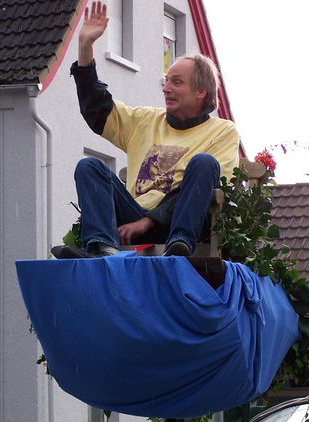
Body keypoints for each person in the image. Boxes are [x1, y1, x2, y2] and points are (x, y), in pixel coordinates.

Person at [51, 1, 240, 259]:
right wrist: (85, 49)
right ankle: (102, 249)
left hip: (181, 228)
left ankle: (178, 247)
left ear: (200, 91)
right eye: (166, 81)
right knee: (89, 167)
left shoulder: (222, 131)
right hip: (133, 221)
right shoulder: (146, 120)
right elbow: (97, 109)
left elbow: (211, 189)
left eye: (176, 82)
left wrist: (152, 220)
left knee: (205, 164)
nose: (166, 88)